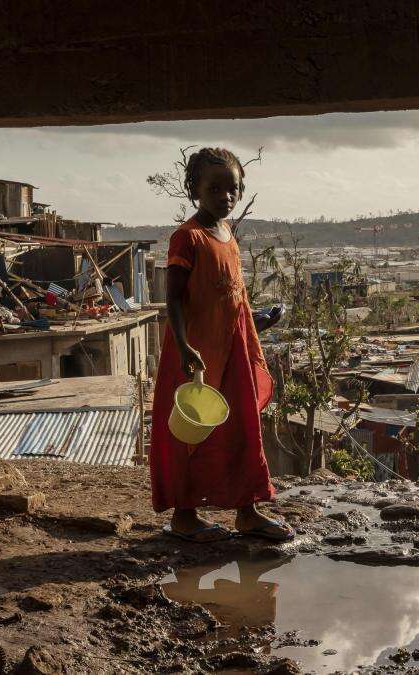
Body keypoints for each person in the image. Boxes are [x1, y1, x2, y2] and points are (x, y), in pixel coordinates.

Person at [149, 147, 294, 544]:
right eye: (215, 189)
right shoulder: (187, 238)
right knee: (191, 436)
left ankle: (248, 511)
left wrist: (257, 322)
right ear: (194, 189)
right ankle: (184, 515)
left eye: (232, 190)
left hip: (232, 349)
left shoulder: (227, 234)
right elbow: (173, 300)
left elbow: (232, 296)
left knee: (242, 428)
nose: (225, 197)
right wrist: (182, 346)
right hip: (196, 355)